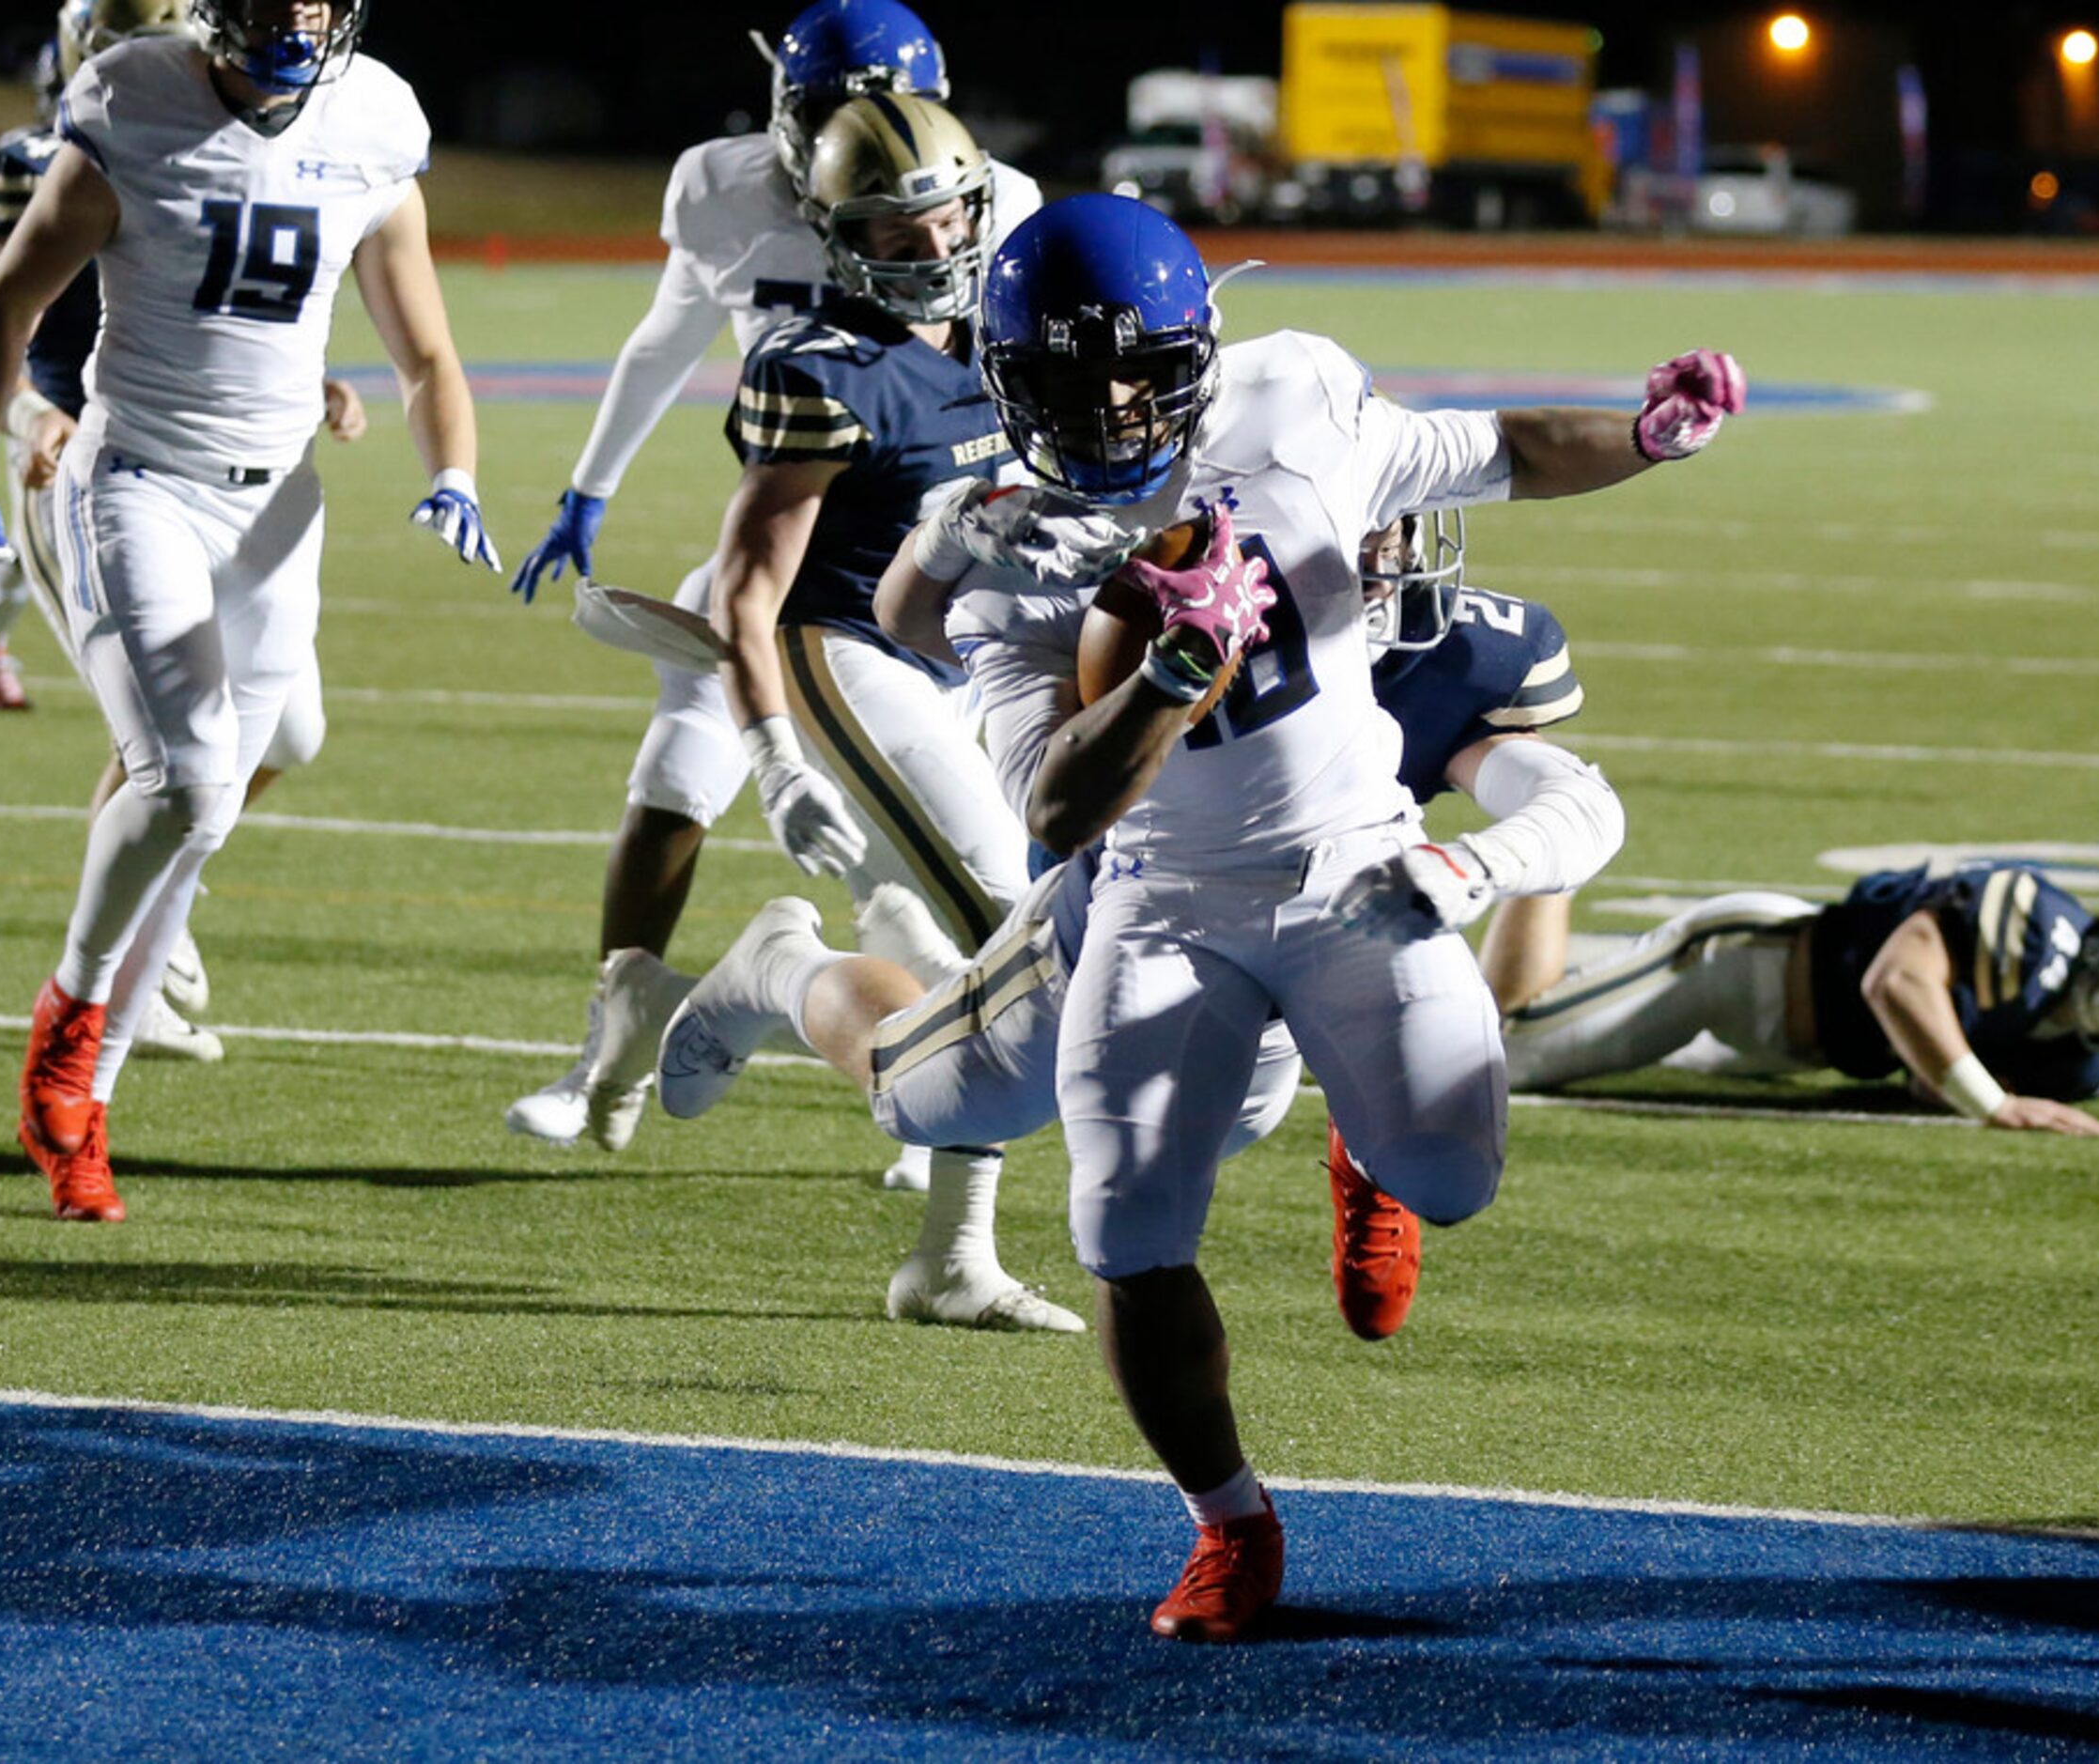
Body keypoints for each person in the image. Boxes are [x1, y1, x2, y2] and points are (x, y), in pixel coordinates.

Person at [900, 193, 1741, 1641]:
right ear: (1002, 378)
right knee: (1125, 1228)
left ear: (1198, 356)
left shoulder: (1296, 398)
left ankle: (1365, 1137)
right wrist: (1168, 680)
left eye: (1135, 372)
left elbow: (1503, 450)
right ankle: (1228, 1524)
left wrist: (1645, 438)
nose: (1107, 410)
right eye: (1068, 379)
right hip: (1160, 899)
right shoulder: (1011, 548)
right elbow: (1050, 808)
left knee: (1452, 1174)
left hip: (1353, 861)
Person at [655, 510, 1624, 1345]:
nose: (1381, 547)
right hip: (1126, 907)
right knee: (929, 1100)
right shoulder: (1156, 602)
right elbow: (932, 635)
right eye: (1358, 513)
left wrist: (1480, 860)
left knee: (1236, 1124)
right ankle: (781, 968)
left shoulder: (1456, 646)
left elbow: (1552, 791)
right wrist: (968, 548)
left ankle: (1369, 1142)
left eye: (1393, 516)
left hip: (1315, 921)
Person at [0, 0, 501, 1222]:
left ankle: (93, 1083)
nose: (292, 20)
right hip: (136, 479)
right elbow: (2, 305)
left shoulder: (373, 119)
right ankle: (69, 1039)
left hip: (278, 501)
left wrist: (450, 471)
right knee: (191, 778)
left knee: (259, 763)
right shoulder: (137, 101)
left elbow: (426, 355)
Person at [500, 0, 1043, 1180]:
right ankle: (611, 1045)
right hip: (796, 560)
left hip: (942, 565)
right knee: (680, 778)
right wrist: (588, 491)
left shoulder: (992, 198)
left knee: (923, 873)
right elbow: (665, 335)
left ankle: (922, 1098)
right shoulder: (721, 191)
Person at [576, 93, 1074, 1333]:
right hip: (844, 656)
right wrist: (773, 753)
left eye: (944, 214)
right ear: (837, 234)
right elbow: (747, 586)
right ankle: (791, 996)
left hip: (965, 666)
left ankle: (785, 993)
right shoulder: (820, 361)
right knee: (1029, 940)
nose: (928, 243)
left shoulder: (1005, 330)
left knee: (977, 966)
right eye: (891, 229)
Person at [0, 0, 363, 1060]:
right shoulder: (58, 149)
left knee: (288, 734)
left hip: (208, 463)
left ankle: (154, 906)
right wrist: (22, 422)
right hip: (83, 461)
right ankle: (106, 981)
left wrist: (298, 379)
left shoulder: (225, 132)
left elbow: (216, 298)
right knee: (167, 756)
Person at [1504, 864, 2099, 1134]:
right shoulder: (2036, 922)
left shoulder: (2086, 1068)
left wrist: (1965, 1088)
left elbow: (1927, 1076)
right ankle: (1554, 849)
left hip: (1779, 1052)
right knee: (1508, 1049)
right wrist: (1992, 1104)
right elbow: (1895, 982)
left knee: (1557, 1017)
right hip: (1737, 971)